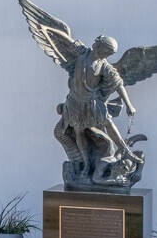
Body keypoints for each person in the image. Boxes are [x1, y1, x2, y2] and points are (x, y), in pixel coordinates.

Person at [55, 35, 139, 178]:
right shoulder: (82, 52)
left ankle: (124, 150)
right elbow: (65, 38)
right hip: (74, 102)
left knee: (107, 121)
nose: (108, 55)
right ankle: (87, 164)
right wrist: (46, 29)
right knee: (79, 132)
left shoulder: (104, 66)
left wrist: (129, 105)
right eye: (108, 52)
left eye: (109, 54)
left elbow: (119, 84)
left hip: (91, 103)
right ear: (99, 47)